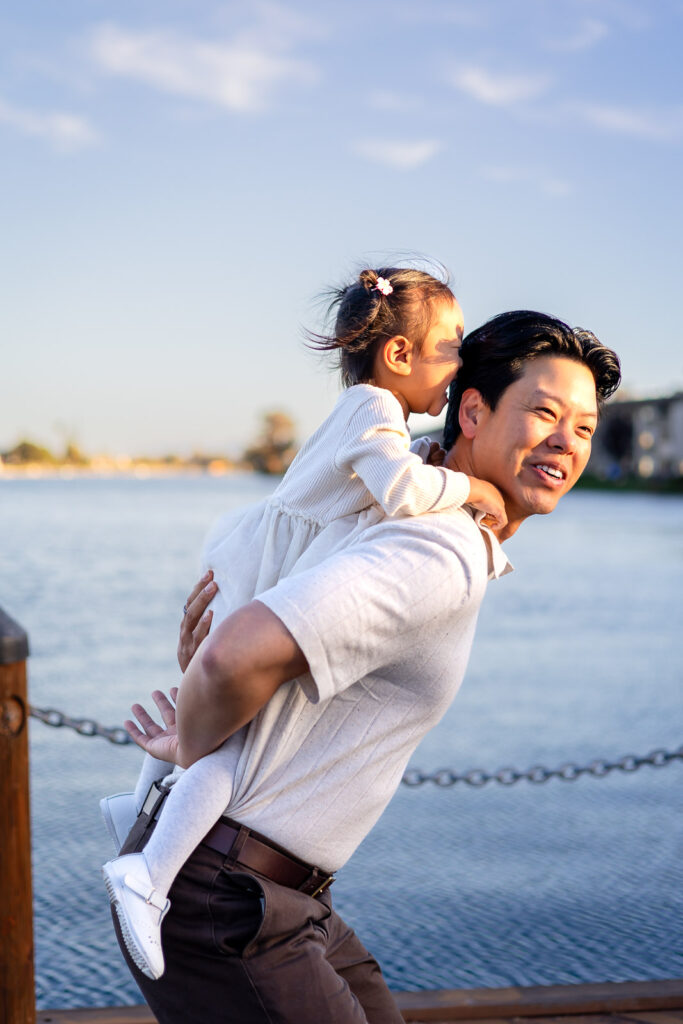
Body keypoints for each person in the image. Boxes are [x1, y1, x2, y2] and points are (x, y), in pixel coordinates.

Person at [110, 310, 620, 1024]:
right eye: (543, 412)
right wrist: (195, 743)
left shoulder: (391, 503)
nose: (565, 442)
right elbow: (234, 655)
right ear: (471, 410)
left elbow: (250, 624)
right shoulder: (438, 552)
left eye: (585, 428)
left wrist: (210, 693)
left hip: (275, 892)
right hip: (225, 899)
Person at [101, 264, 507, 980]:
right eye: (450, 344)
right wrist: (472, 486)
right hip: (265, 561)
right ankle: (148, 876)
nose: (460, 360)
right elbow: (401, 489)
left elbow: (388, 484)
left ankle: (130, 810)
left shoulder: (370, 416)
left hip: (260, 555)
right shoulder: (374, 412)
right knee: (227, 747)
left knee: (214, 704)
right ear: (398, 356)